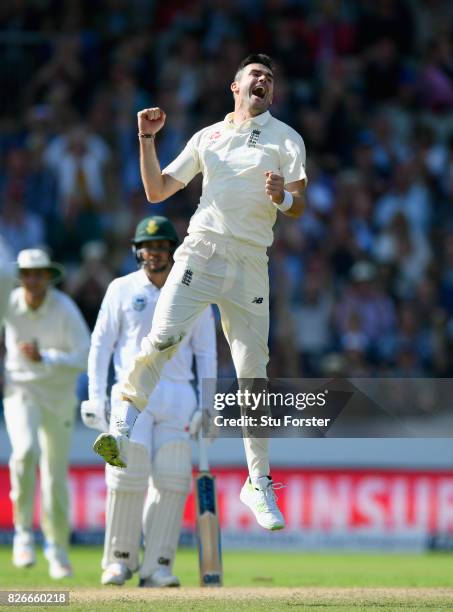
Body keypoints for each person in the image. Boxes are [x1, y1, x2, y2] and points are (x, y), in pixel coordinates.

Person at [94, 53, 307, 530]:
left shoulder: (286, 137)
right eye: (255, 76)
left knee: (254, 372)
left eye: (269, 79)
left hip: (252, 260)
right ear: (235, 86)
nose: (263, 83)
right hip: (203, 252)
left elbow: (298, 200)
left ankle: (258, 482)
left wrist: (283, 197)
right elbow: (156, 190)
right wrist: (146, 138)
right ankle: (122, 428)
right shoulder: (207, 136)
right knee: (163, 338)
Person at [83, 215, 216, 586]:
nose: (154, 254)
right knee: (128, 475)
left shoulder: (195, 293)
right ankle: (119, 561)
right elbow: (101, 345)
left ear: (172, 251)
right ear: (137, 251)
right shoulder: (121, 289)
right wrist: (96, 397)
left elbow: (206, 353)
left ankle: (158, 565)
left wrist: (208, 406)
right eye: (148, 247)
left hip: (177, 396)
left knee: (173, 480)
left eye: (161, 247)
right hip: (131, 397)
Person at [2, 248, 90, 578]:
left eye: (38, 273)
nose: (32, 279)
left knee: (54, 474)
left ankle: (57, 547)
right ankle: (23, 532)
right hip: (21, 389)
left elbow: (85, 354)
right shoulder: (9, 303)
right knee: (25, 452)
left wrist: (48, 358)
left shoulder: (64, 308)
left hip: (59, 396)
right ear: (20, 276)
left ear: (48, 276)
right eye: (27, 273)